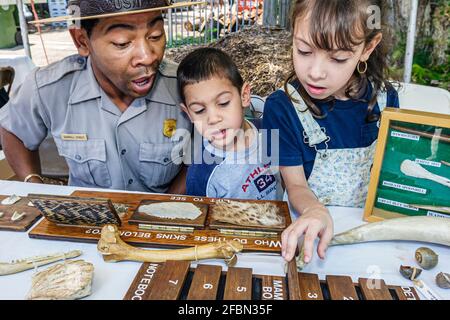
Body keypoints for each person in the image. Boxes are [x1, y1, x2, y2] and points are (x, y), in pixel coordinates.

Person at [0, 0, 195, 194]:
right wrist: (33, 183)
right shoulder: (49, 88)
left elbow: (203, 154)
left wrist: (167, 204)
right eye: (123, 43)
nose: (148, 57)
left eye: (155, 36)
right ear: (82, 41)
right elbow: (13, 131)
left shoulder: (187, 88)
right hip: (87, 216)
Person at [262, 0, 399, 264]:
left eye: (337, 58)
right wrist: (314, 211)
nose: (315, 72)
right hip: (310, 236)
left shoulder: (385, 100)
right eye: (303, 51)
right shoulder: (282, 108)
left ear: (368, 48)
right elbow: (295, 185)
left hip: (371, 241)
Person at [177, 47, 281, 200]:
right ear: (188, 114)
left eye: (223, 103)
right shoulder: (201, 175)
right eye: (199, 110)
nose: (213, 119)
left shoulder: (269, 130)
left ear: (244, 96)